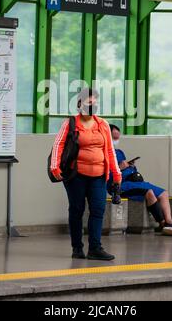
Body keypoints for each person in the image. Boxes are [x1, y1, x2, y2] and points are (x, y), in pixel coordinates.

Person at [50, 88, 122, 261]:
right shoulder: (70, 123)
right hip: (76, 175)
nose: (93, 105)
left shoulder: (103, 124)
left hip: (98, 175)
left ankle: (95, 248)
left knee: (98, 210)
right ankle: (77, 248)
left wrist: (116, 173)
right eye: (90, 102)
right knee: (77, 210)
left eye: (95, 102)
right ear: (80, 103)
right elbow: (58, 144)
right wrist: (55, 166)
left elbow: (110, 151)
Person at [109, 125, 172, 236]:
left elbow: (123, 165)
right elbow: (106, 176)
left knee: (163, 193)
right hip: (122, 185)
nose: (116, 141)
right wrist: (120, 167)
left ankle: (169, 221)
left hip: (135, 181)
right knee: (149, 193)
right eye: (114, 137)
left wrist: (129, 166)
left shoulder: (119, 152)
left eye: (117, 138)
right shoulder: (104, 154)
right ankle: (162, 224)